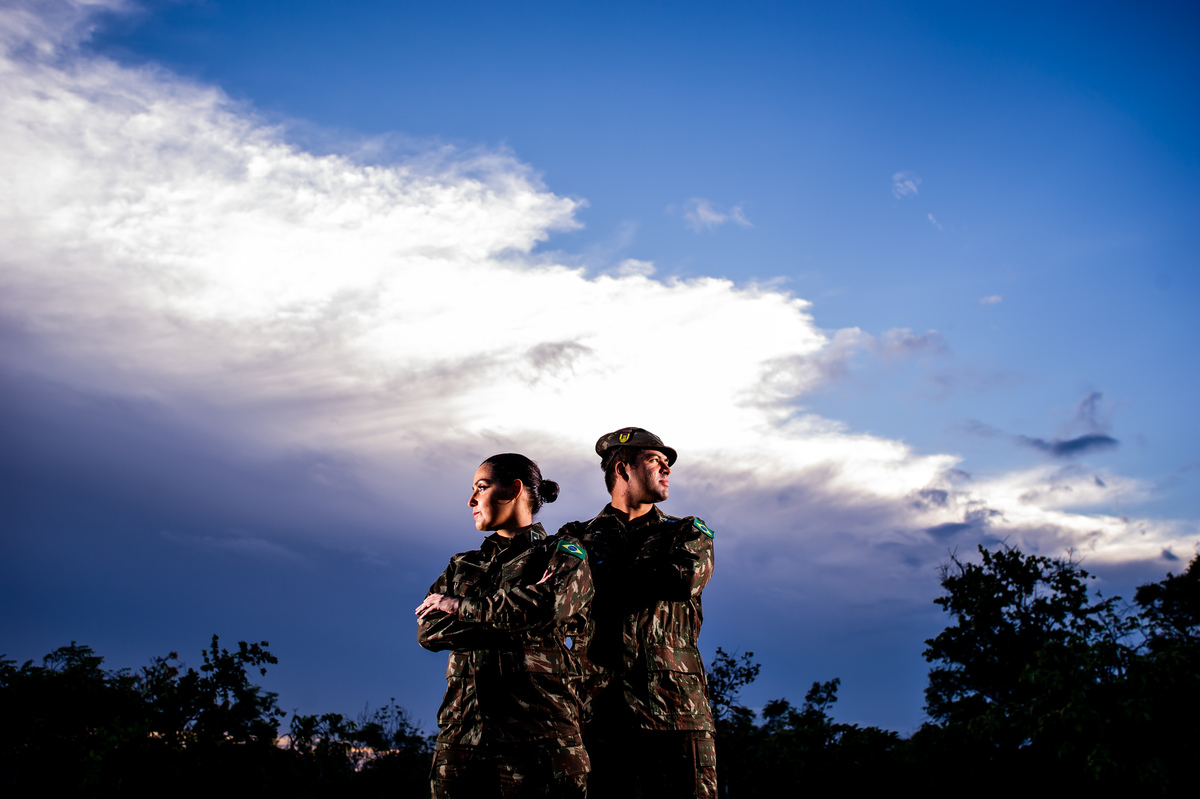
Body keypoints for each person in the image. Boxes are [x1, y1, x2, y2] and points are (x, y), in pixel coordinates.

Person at [416, 453, 593, 799]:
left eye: (481, 488)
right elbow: (428, 631)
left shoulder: (563, 553)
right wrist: (520, 617)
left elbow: (549, 605)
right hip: (463, 742)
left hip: (540, 741)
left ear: (514, 489)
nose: (471, 500)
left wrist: (459, 606)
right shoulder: (463, 564)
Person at [557, 428, 716, 799]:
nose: (667, 470)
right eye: (656, 460)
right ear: (623, 468)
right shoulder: (576, 535)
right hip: (596, 712)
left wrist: (591, 577)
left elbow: (682, 580)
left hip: (676, 712)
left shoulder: (687, 532)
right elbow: (557, 604)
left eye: (668, 463)